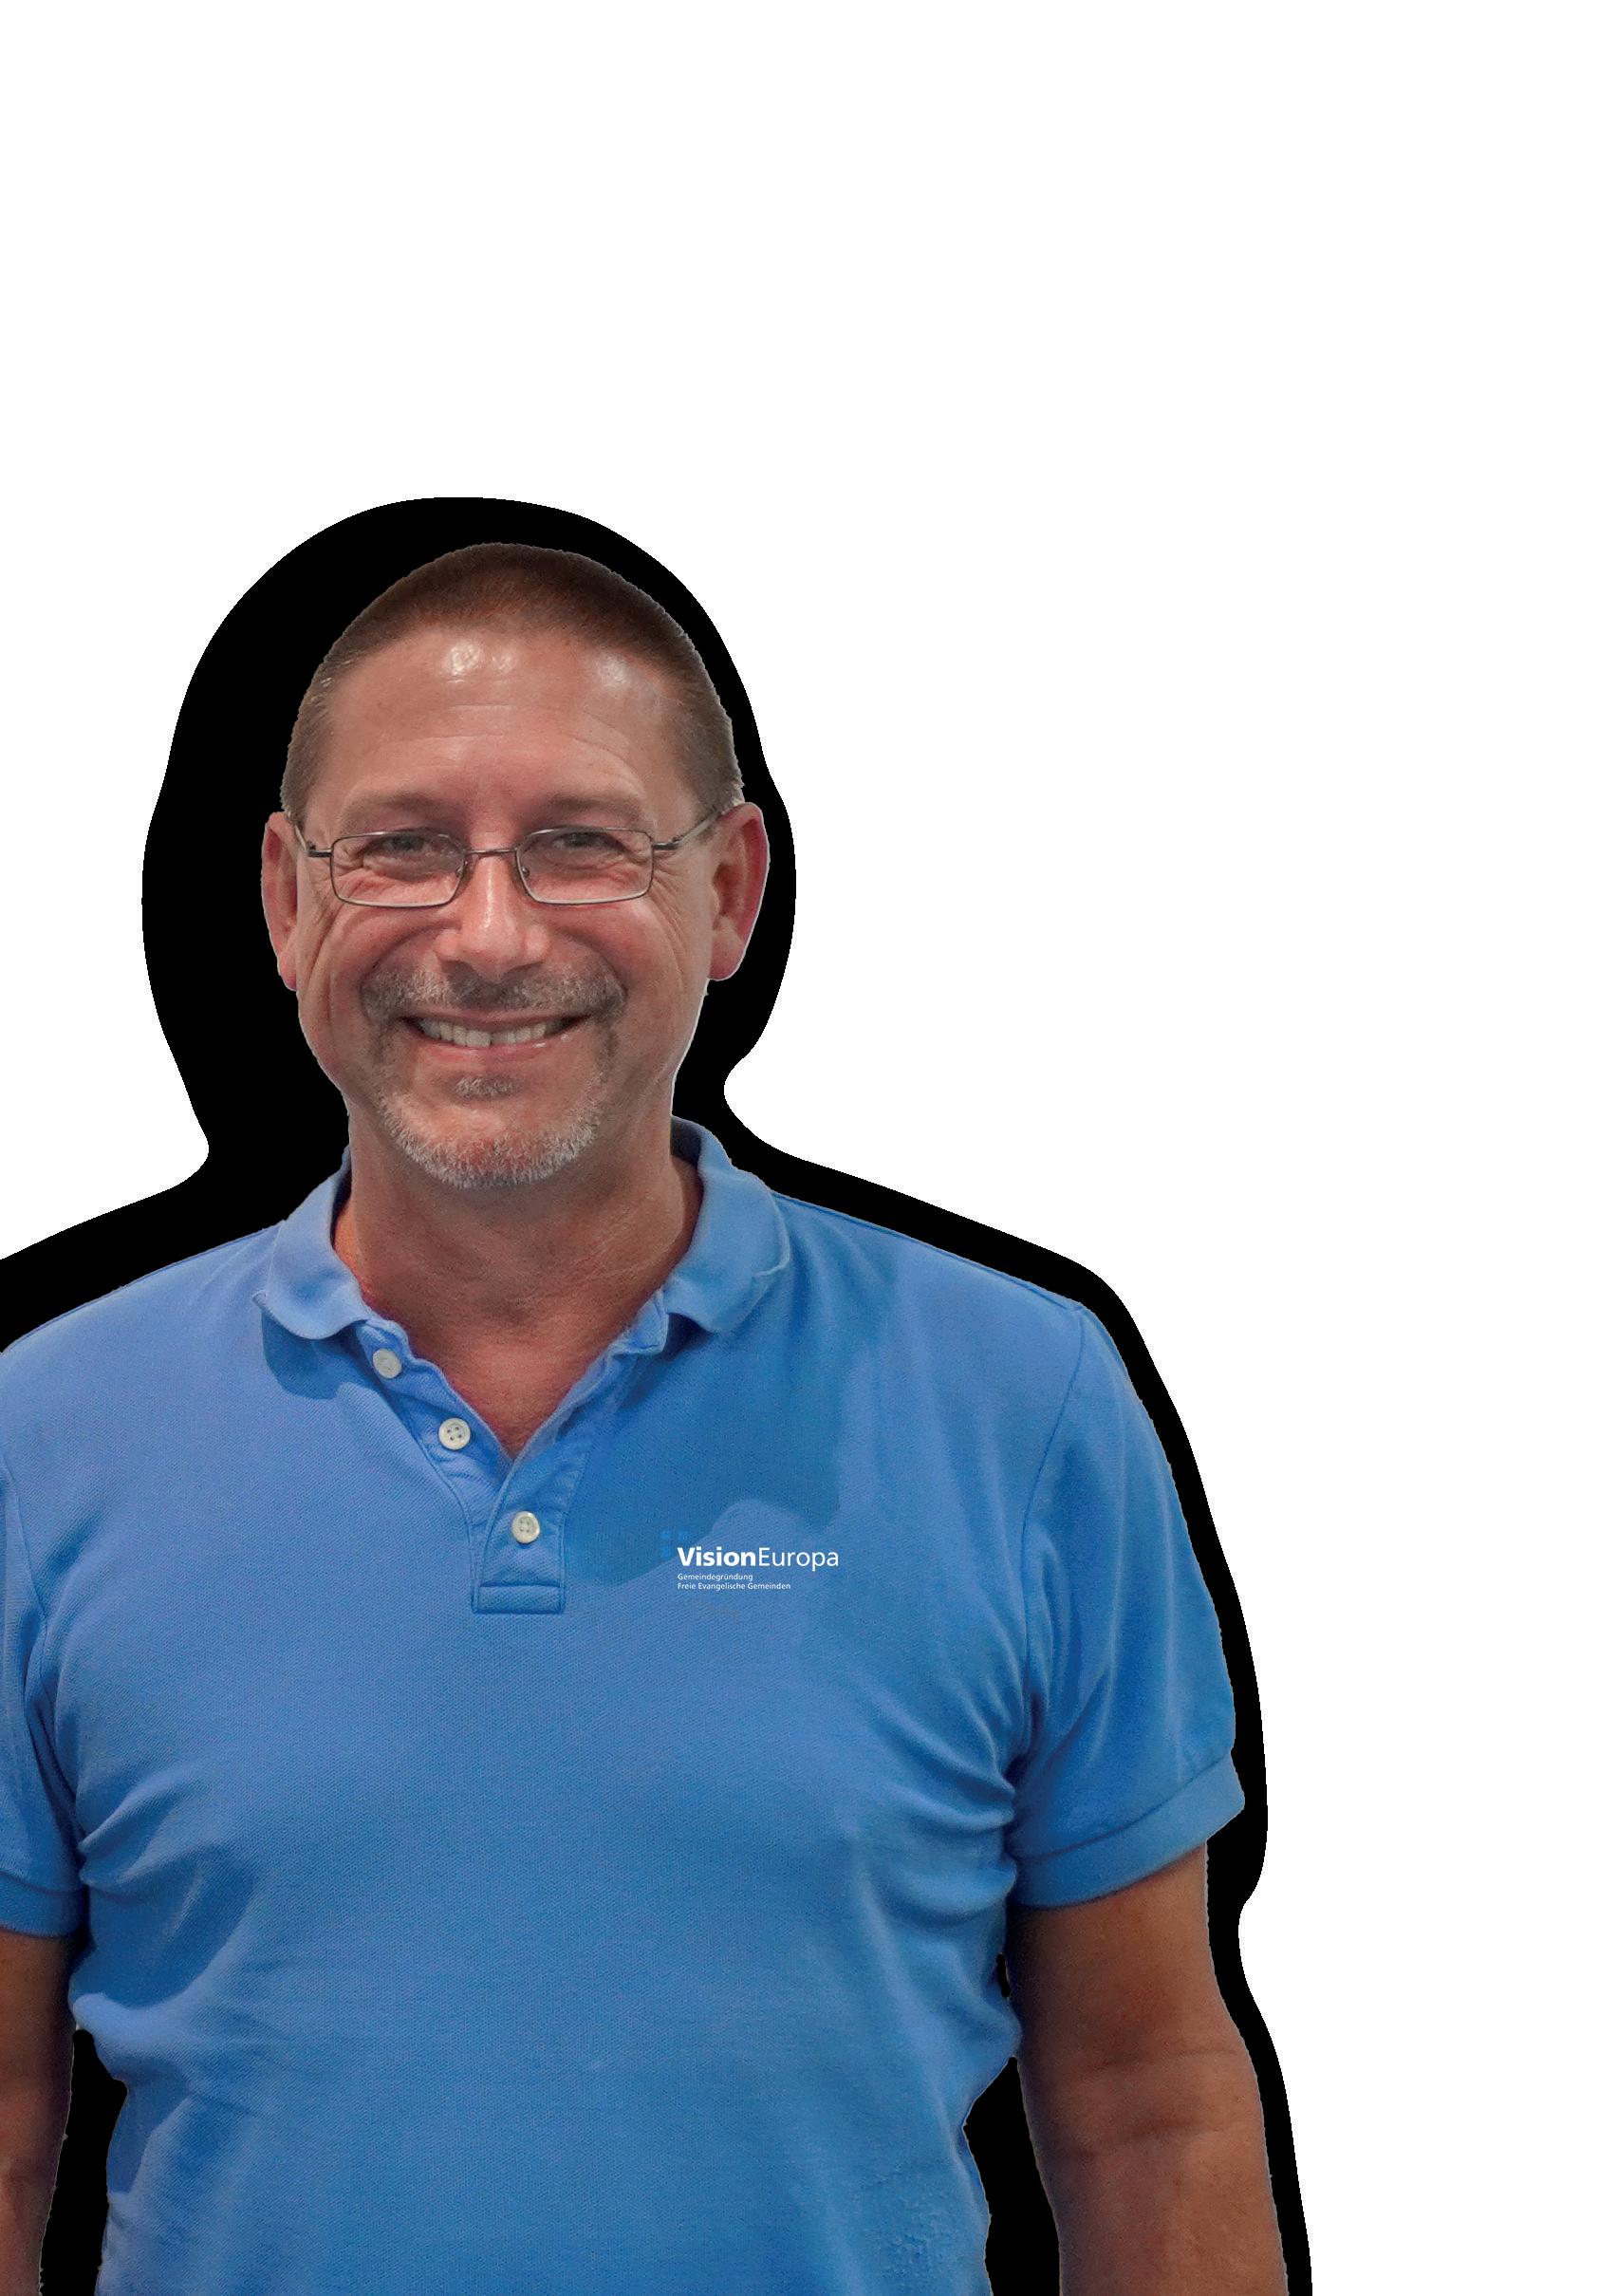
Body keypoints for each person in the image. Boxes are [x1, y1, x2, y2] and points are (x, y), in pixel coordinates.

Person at [0, 542, 1288, 2295]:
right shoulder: (45, 1438)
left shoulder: (1025, 1405)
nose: (489, 932)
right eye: (403, 848)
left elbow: (1148, 2105)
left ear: (731, 892)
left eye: (582, 844)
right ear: (288, 902)